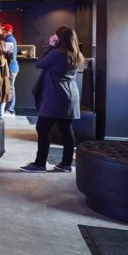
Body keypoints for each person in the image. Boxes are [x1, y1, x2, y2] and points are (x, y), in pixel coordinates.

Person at [20, 26, 84, 173]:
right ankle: (66, 164)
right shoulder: (76, 54)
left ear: (59, 38)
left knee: (42, 128)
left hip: (56, 96)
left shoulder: (57, 54)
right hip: (71, 97)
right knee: (66, 130)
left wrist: (50, 46)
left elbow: (39, 63)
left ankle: (40, 164)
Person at [1, 24, 19, 115]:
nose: (1, 32)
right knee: (9, 88)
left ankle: (10, 110)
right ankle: (8, 109)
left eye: (3, 31)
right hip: (11, 68)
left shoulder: (9, 40)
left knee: (10, 89)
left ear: (7, 31)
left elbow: (9, 56)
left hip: (11, 68)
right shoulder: (8, 39)